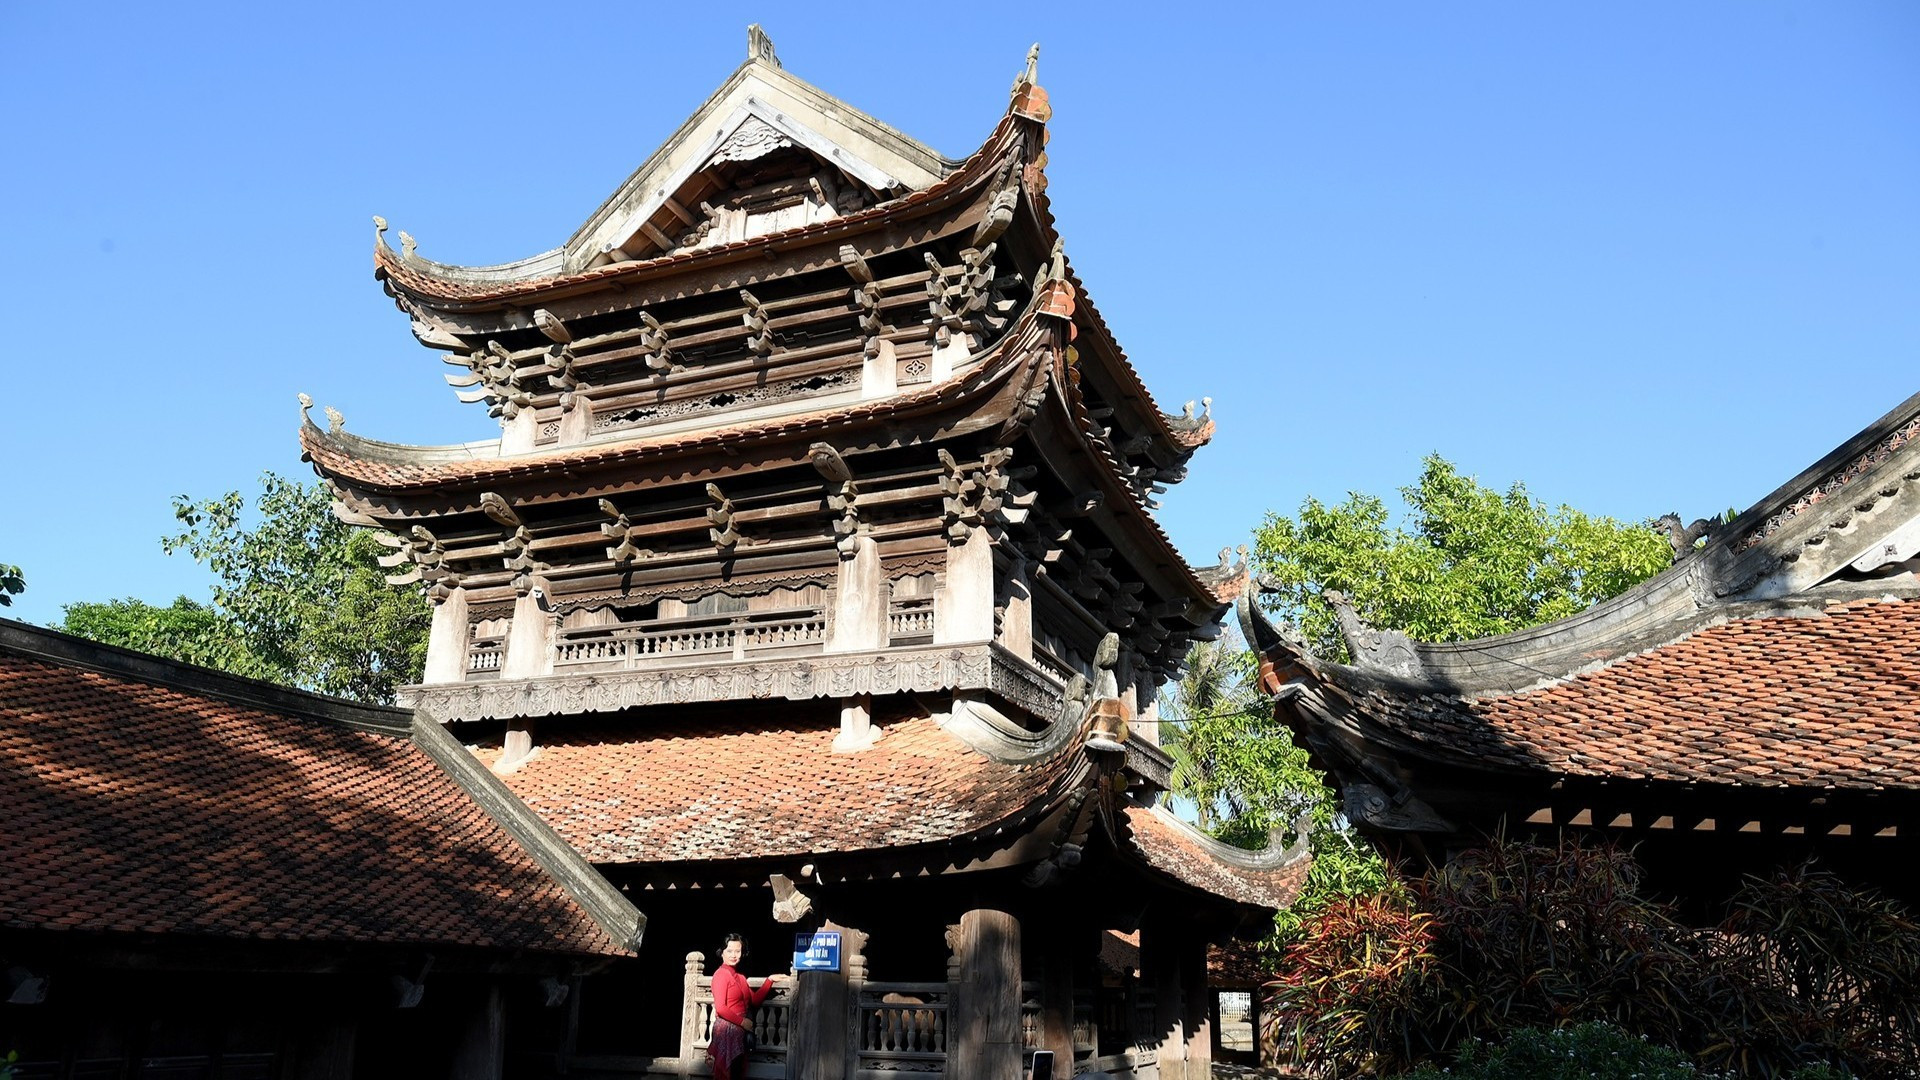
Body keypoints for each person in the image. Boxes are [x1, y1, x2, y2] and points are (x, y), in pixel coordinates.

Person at [707, 933, 786, 1080]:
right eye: (729, 951)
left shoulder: (741, 978)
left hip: (739, 1032)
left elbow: (754, 1001)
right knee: (728, 1074)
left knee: (737, 1073)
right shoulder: (720, 975)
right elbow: (721, 1008)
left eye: (738, 951)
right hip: (726, 1032)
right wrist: (743, 1022)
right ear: (722, 952)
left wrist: (769, 980)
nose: (734, 955)